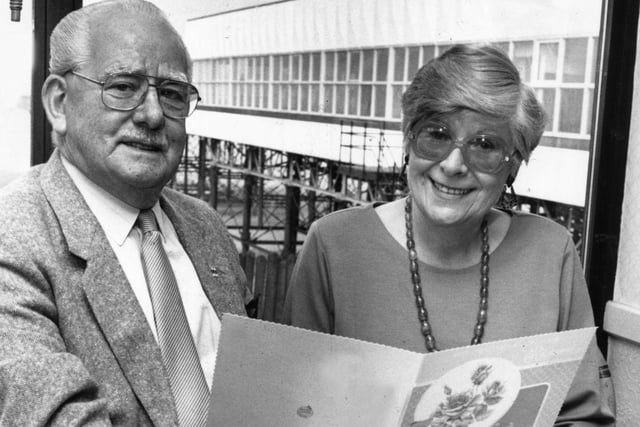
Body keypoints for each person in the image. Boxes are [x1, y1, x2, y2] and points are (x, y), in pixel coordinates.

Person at [281, 44, 615, 424]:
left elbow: (583, 417)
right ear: (408, 139)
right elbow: (294, 409)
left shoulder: (550, 251)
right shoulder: (333, 244)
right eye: (437, 135)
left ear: (514, 166)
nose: (454, 164)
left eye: (486, 145)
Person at [0, 1, 248, 425]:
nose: (152, 115)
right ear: (59, 103)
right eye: (123, 87)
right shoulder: (15, 238)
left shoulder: (205, 226)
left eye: (171, 94)